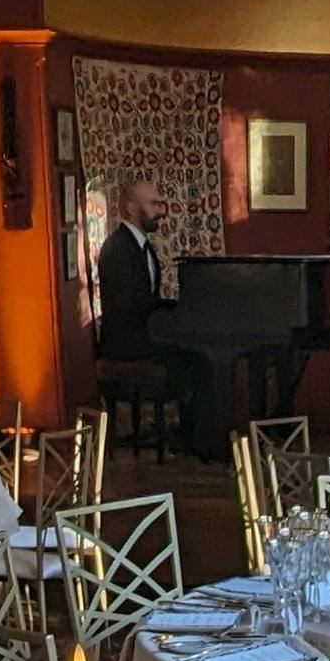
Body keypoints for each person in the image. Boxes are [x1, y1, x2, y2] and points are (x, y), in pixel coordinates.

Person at [94, 172, 219, 457]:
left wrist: (175, 311)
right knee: (196, 363)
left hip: (142, 334)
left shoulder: (142, 246)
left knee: (198, 359)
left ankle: (193, 438)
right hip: (126, 345)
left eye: (160, 204)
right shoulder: (117, 250)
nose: (160, 211)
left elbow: (145, 301)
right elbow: (129, 307)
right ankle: (196, 441)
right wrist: (171, 317)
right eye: (153, 204)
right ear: (130, 208)